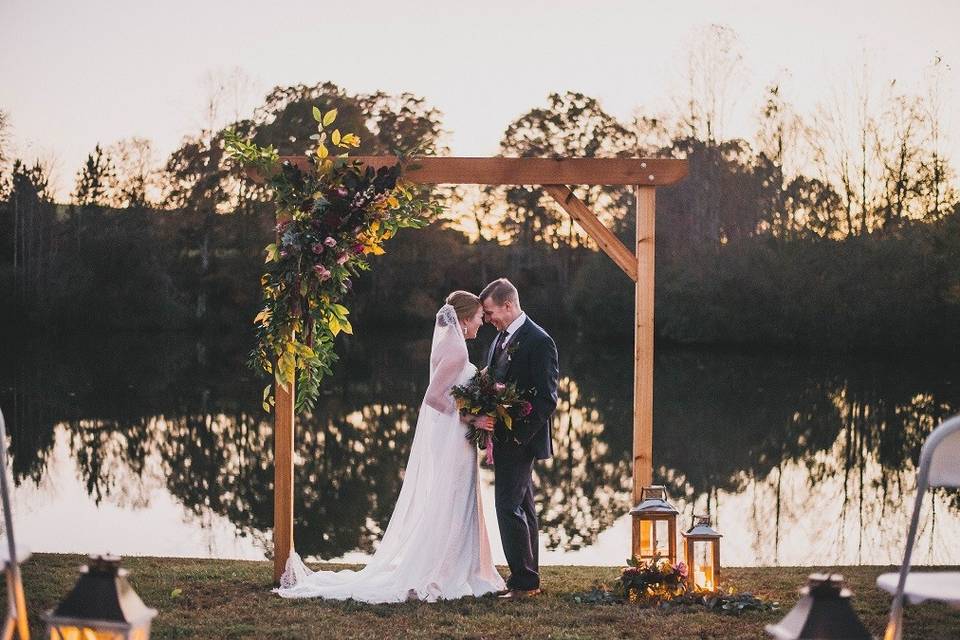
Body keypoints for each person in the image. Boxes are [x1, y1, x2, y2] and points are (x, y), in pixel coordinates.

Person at [274, 290, 506, 603]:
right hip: (453, 439)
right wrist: (473, 419)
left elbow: (450, 393)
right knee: (452, 501)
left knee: (451, 501)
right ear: (465, 320)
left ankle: (453, 566)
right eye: (479, 317)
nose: (482, 322)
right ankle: (446, 572)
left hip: (451, 438)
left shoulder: (452, 345)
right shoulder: (456, 352)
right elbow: (435, 399)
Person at [476, 277, 559, 600]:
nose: (487, 318)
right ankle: (528, 576)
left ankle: (524, 583)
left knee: (507, 507)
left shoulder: (539, 341)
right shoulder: (499, 339)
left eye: (490, 311)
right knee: (523, 506)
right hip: (503, 437)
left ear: (508, 305)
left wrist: (518, 437)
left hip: (521, 439)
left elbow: (546, 400)